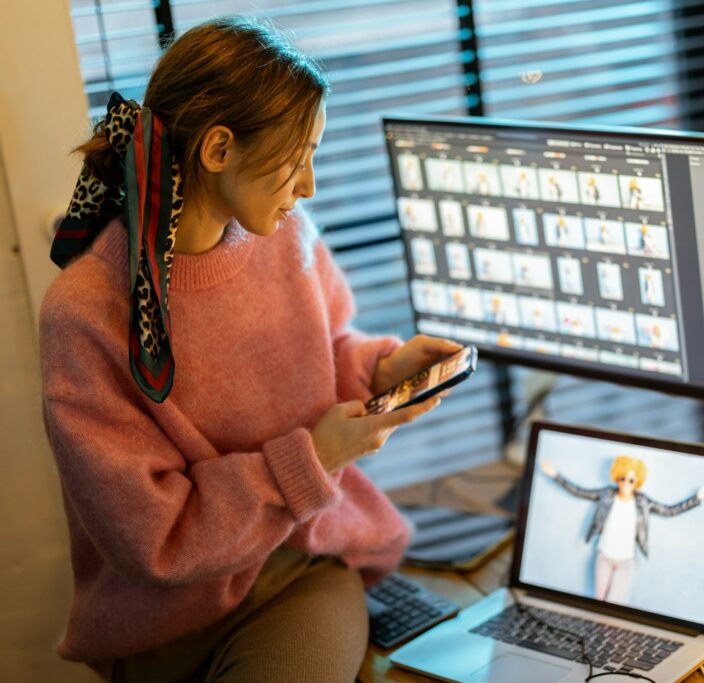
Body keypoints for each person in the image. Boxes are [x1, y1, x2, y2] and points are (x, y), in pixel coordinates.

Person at [41, 17, 459, 682]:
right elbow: (152, 536)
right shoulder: (85, 314)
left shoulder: (288, 236)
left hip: (296, 568)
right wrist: (312, 458)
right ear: (217, 150)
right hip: (160, 620)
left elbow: (326, 349)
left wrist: (378, 367)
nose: (309, 185)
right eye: (298, 158)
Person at [539, 456, 704, 603]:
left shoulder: (643, 502)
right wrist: (555, 475)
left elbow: (669, 511)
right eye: (622, 478)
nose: (625, 484)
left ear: (637, 482)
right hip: (604, 556)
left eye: (631, 480)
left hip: (625, 561)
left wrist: (697, 497)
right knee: (598, 602)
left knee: (614, 605)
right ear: (616, 478)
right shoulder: (607, 494)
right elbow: (579, 491)